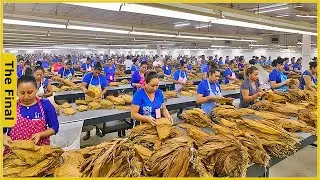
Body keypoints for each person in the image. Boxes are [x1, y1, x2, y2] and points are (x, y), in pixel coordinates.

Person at [3, 75, 59, 154]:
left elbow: (54, 127)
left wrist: (41, 134)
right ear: (17, 91)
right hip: (14, 152)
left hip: (39, 150)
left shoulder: (45, 105)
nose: (26, 97)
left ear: (36, 90)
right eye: (22, 93)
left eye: (30, 92)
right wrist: (3, 136)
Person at [80, 62, 108, 140]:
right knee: (88, 117)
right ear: (93, 70)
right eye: (96, 72)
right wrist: (86, 91)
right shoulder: (88, 76)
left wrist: (102, 93)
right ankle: (88, 132)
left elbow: (105, 88)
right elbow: (82, 86)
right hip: (89, 100)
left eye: (99, 73)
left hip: (98, 99)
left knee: (98, 116)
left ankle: (98, 130)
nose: (97, 74)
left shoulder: (102, 77)